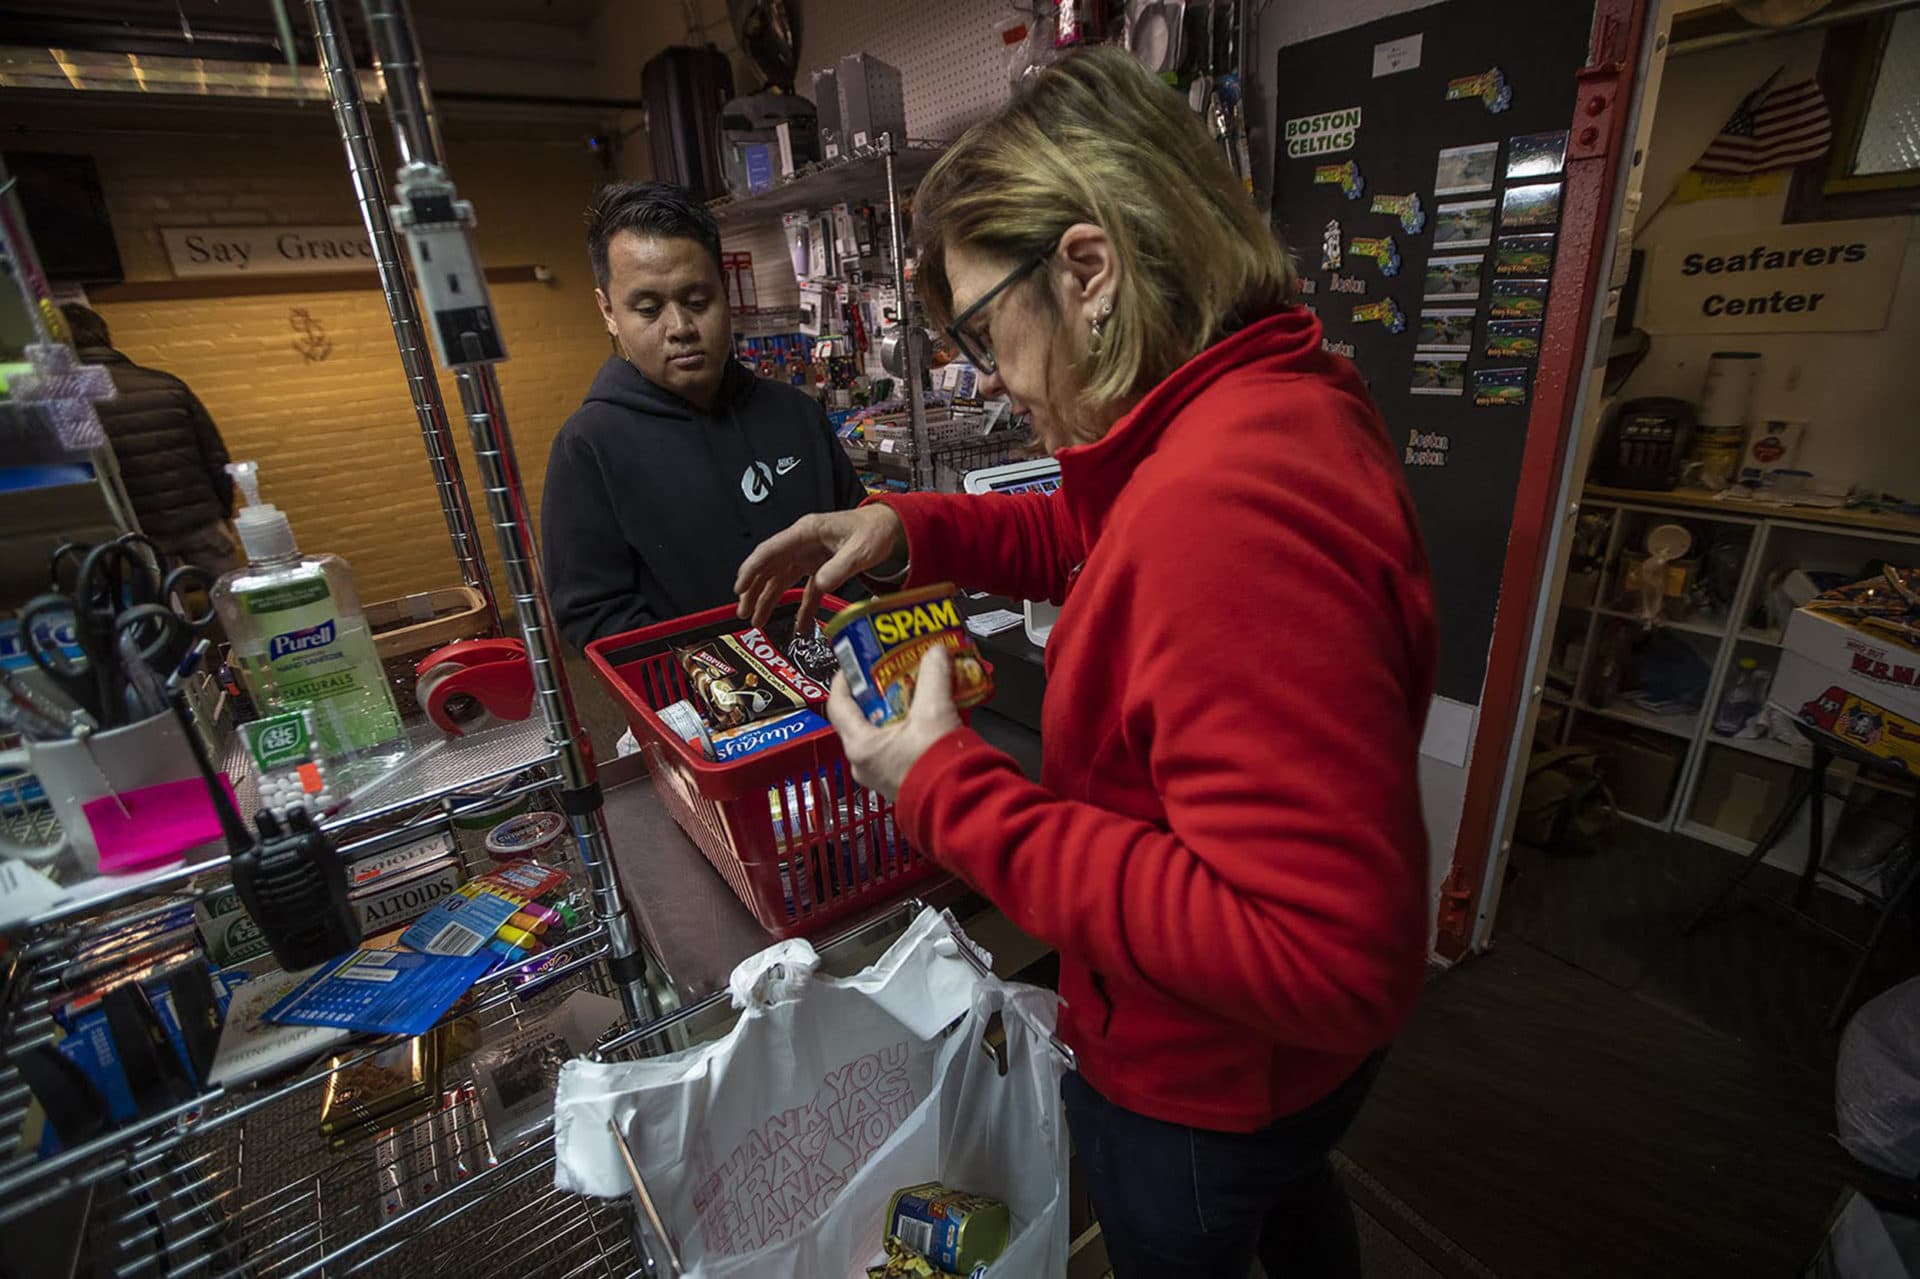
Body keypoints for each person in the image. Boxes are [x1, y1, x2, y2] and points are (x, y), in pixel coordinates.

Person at [736, 47, 1435, 1278]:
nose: (990, 376)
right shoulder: (1256, 402)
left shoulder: (1226, 506)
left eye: (982, 327)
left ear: (1089, 269)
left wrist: (943, 784)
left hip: (1207, 1084)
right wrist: (919, 524)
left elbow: (1326, 961)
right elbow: (1107, 536)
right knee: (1295, 1205)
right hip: (1276, 1085)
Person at [542, 182, 866, 649]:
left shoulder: (794, 412)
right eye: (648, 309)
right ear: (608, 311)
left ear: (726, 290)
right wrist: (721, 683)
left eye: (698, 301)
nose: (680, 329)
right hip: (710, 712)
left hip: (846, 688)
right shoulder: (587, 447)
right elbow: (594, 616)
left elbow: (855, 550)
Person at [60, 303, 239, 575]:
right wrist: (222, 513)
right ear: (106, 337)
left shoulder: (67, 401)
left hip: (137, 532)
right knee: (233, 604)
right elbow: (216, 457)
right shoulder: (168, 385)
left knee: (161, 612)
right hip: (201, 521)